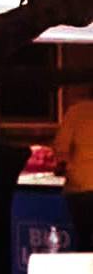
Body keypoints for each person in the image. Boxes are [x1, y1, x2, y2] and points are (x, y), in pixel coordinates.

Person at [54, 86, 93, 251]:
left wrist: (61, 167)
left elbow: (61, 149)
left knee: (84, 240)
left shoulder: (76, 112)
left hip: (80, 188)